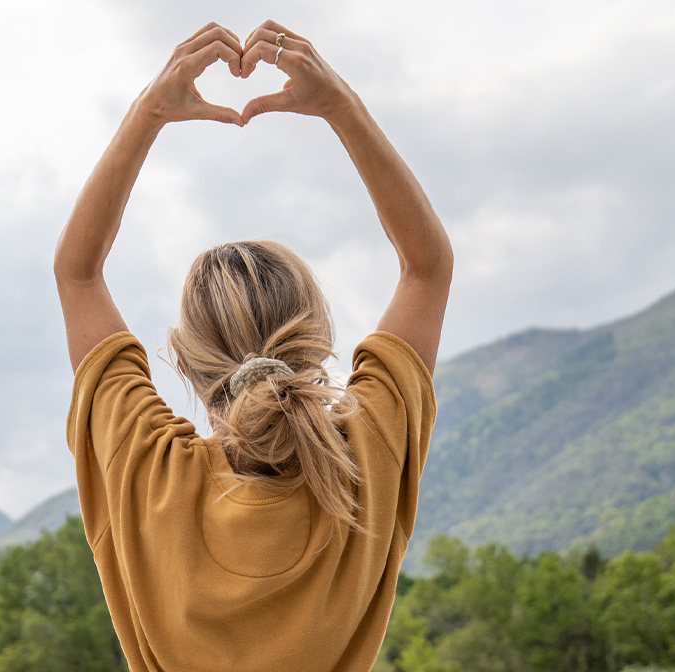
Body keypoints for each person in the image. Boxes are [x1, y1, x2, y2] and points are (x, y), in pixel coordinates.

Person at [54, 19, 452, 671]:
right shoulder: (362, 466)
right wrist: (339, 106)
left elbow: (77, 271)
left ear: (181, 359)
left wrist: (149, 111)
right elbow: (427, 265)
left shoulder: (148, 474)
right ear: (320, 345)